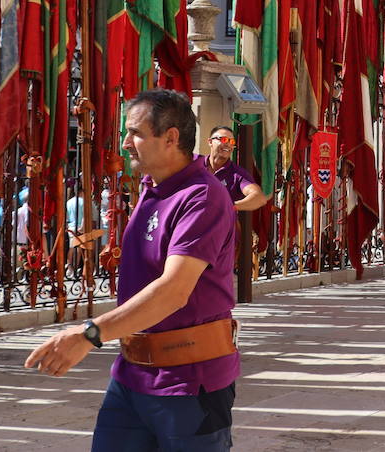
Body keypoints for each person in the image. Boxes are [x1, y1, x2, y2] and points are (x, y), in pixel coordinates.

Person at [25, 89, 239, 451]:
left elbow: (174, 290)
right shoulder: (151, 187)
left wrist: (89, 334)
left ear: (171, 137)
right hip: (131, 376)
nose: (125, 143)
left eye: (135, 133)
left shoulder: (202, 196)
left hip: (189, 381)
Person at [206, 126, 269, 213]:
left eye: (232, 141)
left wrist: (230, 207)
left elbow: (259, 198)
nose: (228, 144)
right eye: (224, 139)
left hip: (222, 225)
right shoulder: (195, 165)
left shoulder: (237, 174)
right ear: (210, 142)